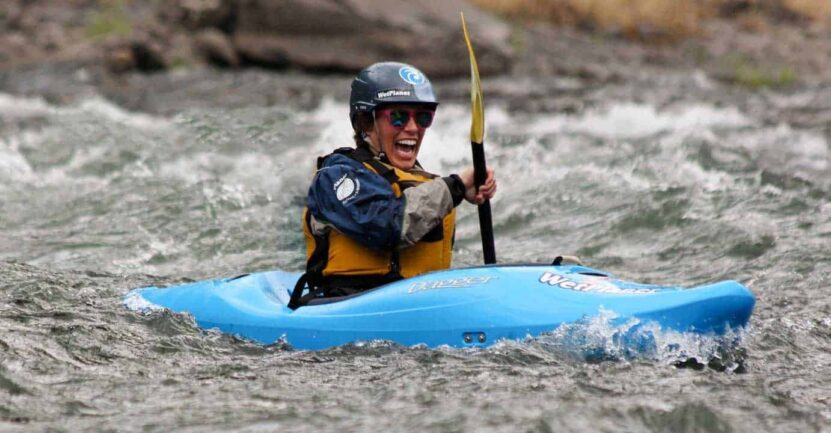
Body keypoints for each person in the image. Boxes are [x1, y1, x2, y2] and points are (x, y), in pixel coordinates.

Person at [290, 61, 496, 308]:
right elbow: (386, 224)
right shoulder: (336, 176)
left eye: (422, 117)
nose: (412, 128)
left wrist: (463, 191)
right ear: (366, 122)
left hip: (419, 308)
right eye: (398, 117)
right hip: (347, 308)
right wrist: (456, 187)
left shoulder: (427, 183)